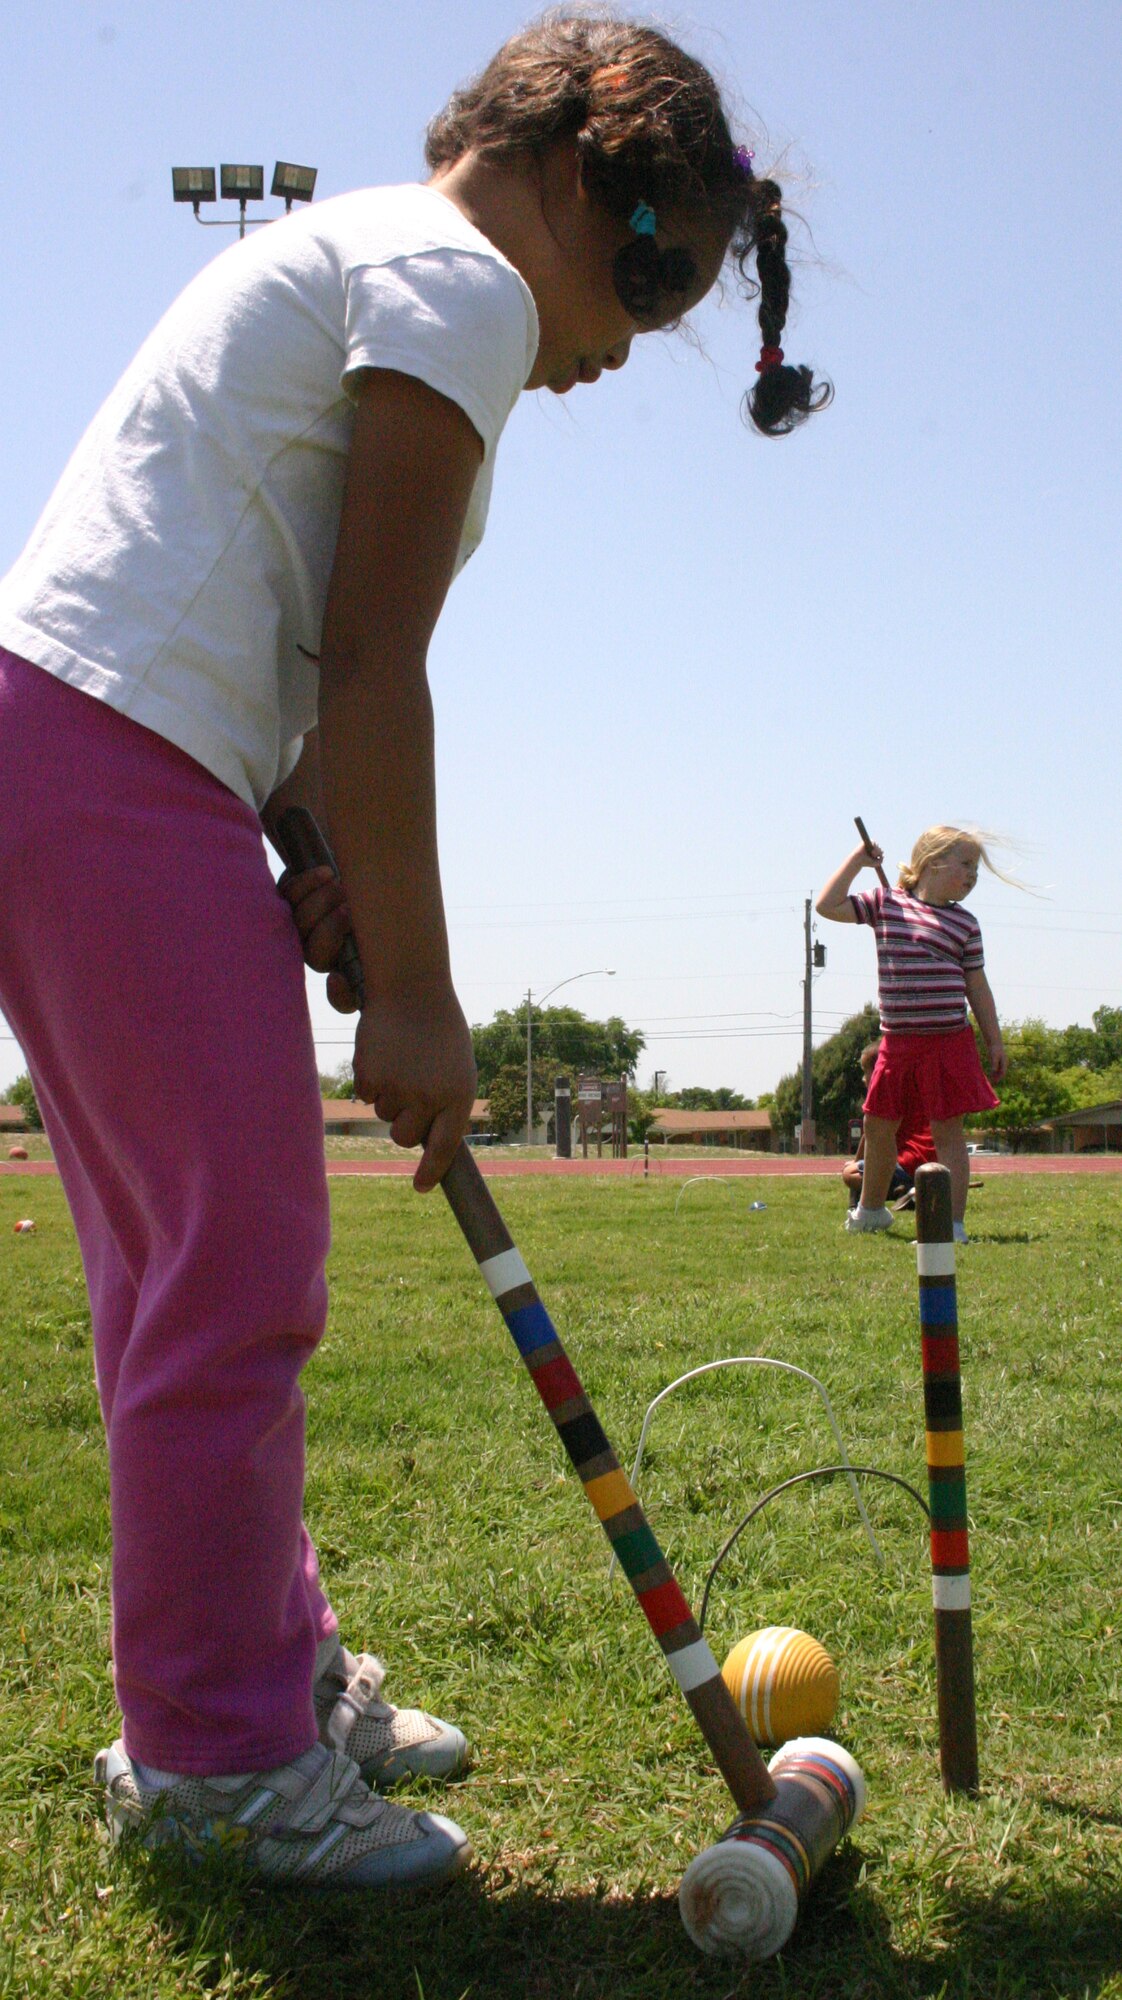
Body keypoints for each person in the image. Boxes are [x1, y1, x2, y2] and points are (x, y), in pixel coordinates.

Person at [0, 14, 828, 1890]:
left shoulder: (384, 262)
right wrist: (430, 998)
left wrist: (312, 850)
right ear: (572, 175)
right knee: (236, 1268)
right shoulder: (453, 286)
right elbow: (378, 669)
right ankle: (214, 1759)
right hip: (113, 759)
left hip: (88, 750)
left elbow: (278, 642)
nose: (622, 346)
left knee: (186, 1274)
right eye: (649, 280)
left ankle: (265, 1677)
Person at [816, 828, 1006, 1244]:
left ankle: (952, 1225)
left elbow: (978, 987)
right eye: (966, 864)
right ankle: (870, 1211)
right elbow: (827, 906)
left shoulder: (965, 924)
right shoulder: (886, 904)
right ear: (931, 862)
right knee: (879, 1126)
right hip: (898, 1041)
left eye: (976, 868)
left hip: (948, 1041)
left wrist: (994, 1039)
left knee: (947, 1132)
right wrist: (857, 860)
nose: (972, 875)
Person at [842, 1041, 936, 1210]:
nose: (864, 1079)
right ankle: (906, 1192)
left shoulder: (884, 1096)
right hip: (929, 1164)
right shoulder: (912, 1090)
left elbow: (871, 1138)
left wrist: (855, 1162)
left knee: (850, 1173)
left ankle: (894, 1193)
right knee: (860, 1167)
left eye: (866, 1072)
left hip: (908, 1164)